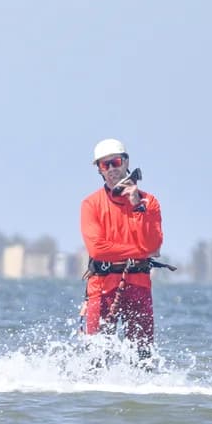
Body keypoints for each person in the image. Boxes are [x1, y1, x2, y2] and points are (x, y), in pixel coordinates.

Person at [80, 138, 165, 362]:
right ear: (98, 169)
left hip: (138, 283)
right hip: (102, 285)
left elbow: (153, 245)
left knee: (142, 355)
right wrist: (139, 250)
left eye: (115, 162)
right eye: (103, 165)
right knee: (96, 356)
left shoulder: (149, 202)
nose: (111, 170)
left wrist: (137, 204)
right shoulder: (91, 204)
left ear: (126, 162)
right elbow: (97, 249)